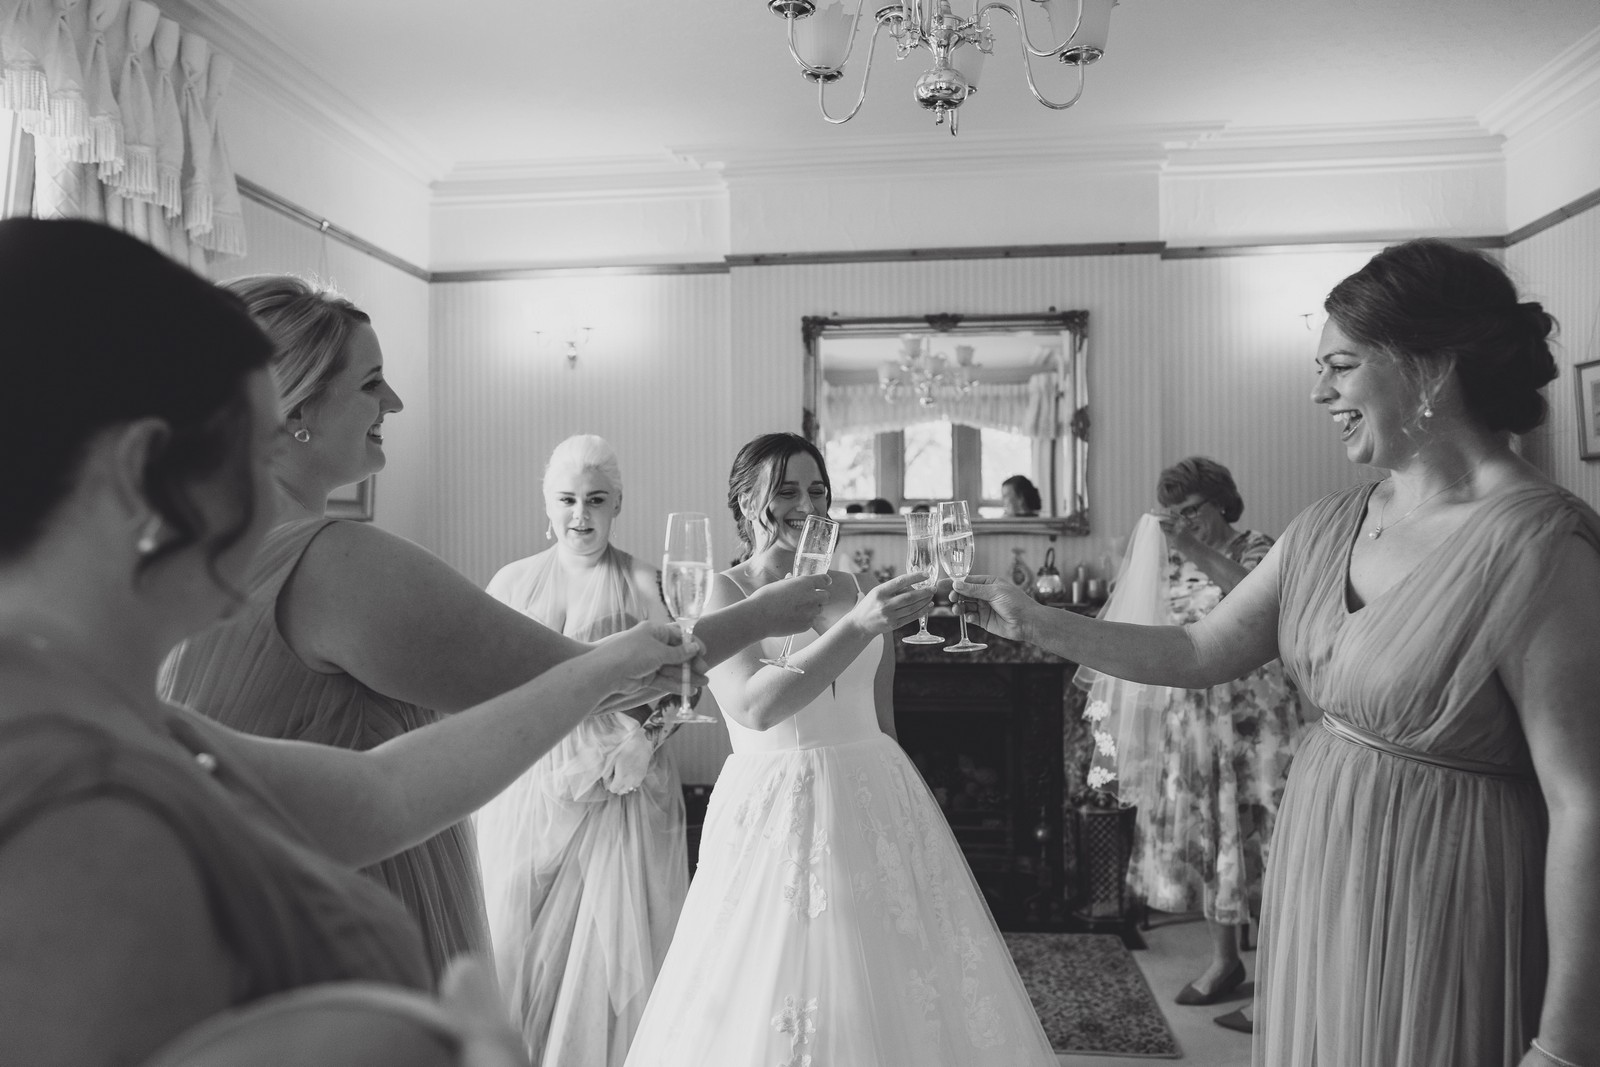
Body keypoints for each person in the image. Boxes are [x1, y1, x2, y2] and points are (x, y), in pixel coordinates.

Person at [0, 218, 700, 1067]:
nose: (267, 508)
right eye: (246, 453)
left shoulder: (125, 719)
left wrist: (614, 661)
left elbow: (386, 791)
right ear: (141, 470)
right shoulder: (73, 787)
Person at [954, 239, 1600, 1067]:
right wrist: (1037, 623)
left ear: (1431, 366)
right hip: (1322, 869)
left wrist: (1567, 1042)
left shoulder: (1540, 547)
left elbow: (1585, 801)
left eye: (1341, 365)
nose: (1318, 391)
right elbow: (1199, 648)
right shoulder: (1326, 525)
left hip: (1449, 891)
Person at [159, 276, 829, 978]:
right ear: (296, 406)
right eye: (370, 383)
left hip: (229, 905)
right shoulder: (337, 563)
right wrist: (766, 612)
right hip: (340, 916)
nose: (394, 401)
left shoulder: (186, 548)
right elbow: (587, 683)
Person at [623, 433, 1061, 1067]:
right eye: (787, 491)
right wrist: (860, 626)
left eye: (818, 490)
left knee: (901, 978)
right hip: (782, 808)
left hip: (874, 796)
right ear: (746, 502)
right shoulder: (724, 592)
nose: (807, 505)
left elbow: (881, 713)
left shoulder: (851, 584)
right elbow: (752, 707)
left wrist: (907, 808)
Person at [476, 435, 686, 1065]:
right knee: (516, 939)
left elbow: (687, 682)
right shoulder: (511, 582)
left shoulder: (646, 582)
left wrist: (646, 740)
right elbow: (485, 681)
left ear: (618, 503)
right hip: (529, 782)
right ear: (548, 505)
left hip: (617, 787)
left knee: (598, 951)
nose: (580, 514)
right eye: (567, 499)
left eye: (596, 499)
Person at [1138, 458, 1308, 1031]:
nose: (1185, 523)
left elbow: (1255, 603)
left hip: (1258, 721)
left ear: (1220, 502)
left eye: (1193, 511)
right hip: (1195, 721)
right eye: (1176, 514)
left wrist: (1189, 546)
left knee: (1269, 840)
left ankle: (1279, 985)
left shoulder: (1260, 548)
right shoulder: (1170, 562)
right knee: (1214, 836)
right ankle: (1224, 962)